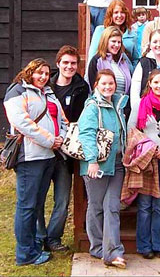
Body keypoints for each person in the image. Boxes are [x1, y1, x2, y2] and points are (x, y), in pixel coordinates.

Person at [3, 58, 68, 266]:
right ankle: (25, 254)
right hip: (30, 157)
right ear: (29, 72)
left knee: (36, 205)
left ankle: (33, 246)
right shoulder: (17, 92)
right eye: (39, 73)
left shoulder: (46, 92)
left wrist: (61, 137)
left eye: (46, 74)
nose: (43, 77)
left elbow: (61, 119)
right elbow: (22, 123)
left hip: (48, 156)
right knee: (27, 206)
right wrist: (50, 140)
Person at [36, 46, 89, 252]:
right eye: (65, 63)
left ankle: (54, 238)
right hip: (43, 149)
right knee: (38, 197)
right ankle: (39, 236)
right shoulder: (45, 85)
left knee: (62, 198)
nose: (69, 66)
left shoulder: (81, 87)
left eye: (73, 63)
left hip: (66, 151)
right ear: (58, 64)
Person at [127, 69, 160, 259]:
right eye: (156, 82)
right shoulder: (141, 104)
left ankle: (159, 245)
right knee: (144, 205)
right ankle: (144, 246)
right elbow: (131, 131)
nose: (159, 86)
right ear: (149, 84)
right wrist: (148, 148)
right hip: (145, 162)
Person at [78, 69, 128, 269]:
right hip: (97, 165)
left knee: (112, 207)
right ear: (96, 85)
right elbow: (87, 133)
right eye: (104, 83)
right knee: (96, 207)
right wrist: (92, 161)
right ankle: (98, 247)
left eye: (111, 83)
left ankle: (113, 252)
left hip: (116, 163)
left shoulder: (118, 104)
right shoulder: (92, 107)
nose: (108, 87)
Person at [87, 0, 139, 67]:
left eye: (122, 12)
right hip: (105, 72)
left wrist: (132, 72)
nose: (119, 15)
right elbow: (92, 55)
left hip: (126, 74)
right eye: (116, 12)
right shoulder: (100, 30)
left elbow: (135, 59)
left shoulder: (132, 34)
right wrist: (88, 76)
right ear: (111, 15)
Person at [87, 26, 132, 95]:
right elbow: (93, 87)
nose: (116, 45)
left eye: (119, 42)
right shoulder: (96, 61)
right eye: (113, 41)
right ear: (105, 41)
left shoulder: (124, 61)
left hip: (123, 103)